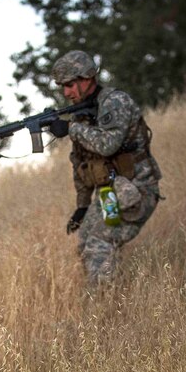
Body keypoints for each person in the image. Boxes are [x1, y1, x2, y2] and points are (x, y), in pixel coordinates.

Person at [48, 50, 163, 286]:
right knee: (85, 240)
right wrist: (82, 207)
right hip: (111, 194)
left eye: (70, 85)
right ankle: (113, 293)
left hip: (137, 190)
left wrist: (70, 129)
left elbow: (108, 145)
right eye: (63, 87)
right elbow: (80, 162)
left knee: (99, 243)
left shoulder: (115, 102)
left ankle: (104, 305)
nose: (66, 93)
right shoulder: (82, 113)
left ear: (87, 78)